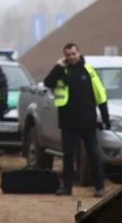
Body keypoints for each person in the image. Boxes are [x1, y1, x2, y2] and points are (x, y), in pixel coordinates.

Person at [44, 43, 112, 197]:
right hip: (68, 121)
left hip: (88, 120)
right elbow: (48, 82)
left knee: (93, 154)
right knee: (68, 154)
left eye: (73, 54)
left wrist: (106, 118)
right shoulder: (62, 70)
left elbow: (101, 95)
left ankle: (99, 187)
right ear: (64, 56)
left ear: (79, 53)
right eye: (68, 55)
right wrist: (57, 67)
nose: (71, 57)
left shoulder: (88, 70)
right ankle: (67, 187)